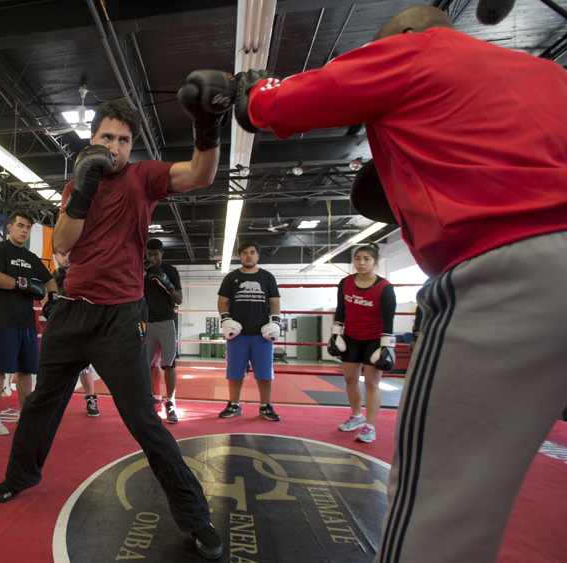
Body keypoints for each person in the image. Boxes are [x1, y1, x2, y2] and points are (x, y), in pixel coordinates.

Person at [231, 5, 567, 562]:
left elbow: (279, 102)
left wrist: (247, 93)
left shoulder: (420, 49)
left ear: (409, 32)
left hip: (507, 277)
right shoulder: (552, 76)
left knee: (441, 507)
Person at [0, 71, 238, 560]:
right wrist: (82, 187)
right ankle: (19, 476)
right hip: (70, 315)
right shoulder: (75, 183)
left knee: (144, 421)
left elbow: (200, 175)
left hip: (120, 321)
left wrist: (207, 128)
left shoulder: (143, 177)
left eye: (124, 140)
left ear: (132, 145)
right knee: (41, 403)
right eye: (107, 137)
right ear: (93, 137)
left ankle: (196, 517)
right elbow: (61, 245)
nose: (116, 147)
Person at [0, 210, 57, 436]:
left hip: (26, 322)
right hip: (2, 319)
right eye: (21, 226)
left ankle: (25, 415)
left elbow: (50, 281)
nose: (24, 230)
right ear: (10, 228)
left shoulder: (31, 258)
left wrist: (51, 300)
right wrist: (24, 283)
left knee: (26, 371)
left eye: (28, 228)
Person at [327, 243, 396, 443]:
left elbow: (389, 319)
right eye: (358, 259)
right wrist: (336, 334)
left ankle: (370, 427)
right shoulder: (346, 282)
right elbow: (341, 310)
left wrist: (386, 346)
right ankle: (357, 417)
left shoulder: (385, 288)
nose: (361, 263)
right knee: (350, 380)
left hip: (374, 340)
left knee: (372, 384)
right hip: (351, 338)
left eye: (366, 259)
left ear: (375, 262)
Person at [217, 240, 281, 421]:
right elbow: (222, 301)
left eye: (252, 252)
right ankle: (234, 405)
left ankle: (266, 406)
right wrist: (226, 319)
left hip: (262, 333)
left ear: (258, 255)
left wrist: (275, 322)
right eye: (245, 252)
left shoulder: (267, 277)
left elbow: (274, 302)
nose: (249, 255)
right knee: (235, 371)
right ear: (239, 256)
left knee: (264, 372)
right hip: (237, 333)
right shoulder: (231, 277)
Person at [53, 250, 99, 417]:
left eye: (68, 255)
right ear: (56, 257)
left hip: (80, 324)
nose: (66, 258)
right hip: (60, 327)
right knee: (58, 367)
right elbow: (48, 300)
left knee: (85, 366)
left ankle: (91, 400)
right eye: (62, 255)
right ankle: (56, 402)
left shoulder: (80, 273)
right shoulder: (53, 277)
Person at [144, 238, 182, 423]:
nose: (152, 258)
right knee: (147, 365)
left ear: (162, 254)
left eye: (155, 255)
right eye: (149, 254)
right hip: (146, 323)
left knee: (169, 364)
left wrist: (167, 284)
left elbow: (179, 299)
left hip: (166, 321)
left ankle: (171, 402)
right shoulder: (140, 271)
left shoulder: (171, 271)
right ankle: (153, 399)